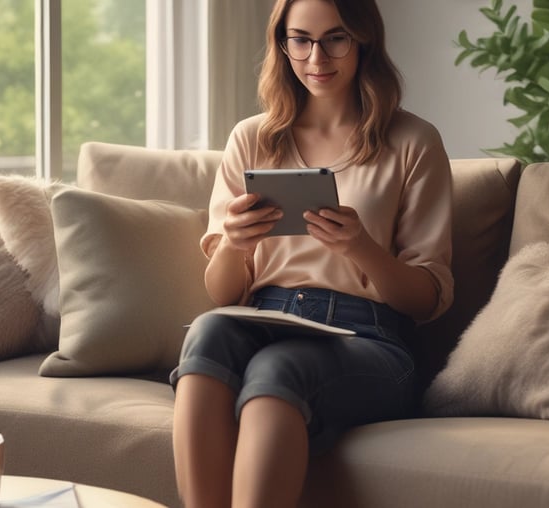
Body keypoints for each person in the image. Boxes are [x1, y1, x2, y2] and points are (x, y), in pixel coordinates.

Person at [169, 0, 453, 506]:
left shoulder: (413, 141)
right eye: (299, 39)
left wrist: (362, 248)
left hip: (371, 336)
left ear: (364, 38)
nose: (316, 57)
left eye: (335, 38)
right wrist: (236, 242)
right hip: (263, 318)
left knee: (279, 369)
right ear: (282, 45)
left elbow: (426, 299)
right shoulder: (252, 138)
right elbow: (220, 293)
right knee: (210, 331)